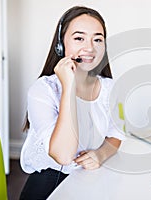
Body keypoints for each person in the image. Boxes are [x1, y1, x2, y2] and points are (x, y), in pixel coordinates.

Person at [19, 6, 125, 199]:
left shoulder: (112, 88)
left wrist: (101, 154)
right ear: (60, 45)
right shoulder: (43, 90)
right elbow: (63, 155)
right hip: (50, 182)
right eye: (79, 38)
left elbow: (116, 134)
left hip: (90, 177)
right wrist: (69, 86)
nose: (90, 48)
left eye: (98, 39)